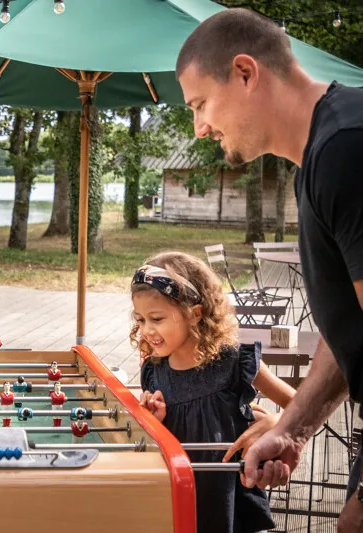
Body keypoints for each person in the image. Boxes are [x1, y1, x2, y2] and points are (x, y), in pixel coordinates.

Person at [176, 9, 363, 528]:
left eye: (201, 105)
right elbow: (349, 328)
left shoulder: (347, 148)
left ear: (244, 72)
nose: (200, 128)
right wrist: (294, 428)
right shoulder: (320, 159)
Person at [133, 253, 295, 533]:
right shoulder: (153, 371)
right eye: (140, 319)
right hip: (175, 505)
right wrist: (151, 421)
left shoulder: (235, 362)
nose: (147, 330)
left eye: (156, 318)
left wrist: (275, 423)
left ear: (194, 313)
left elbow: (299, 406)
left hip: (232, 510)